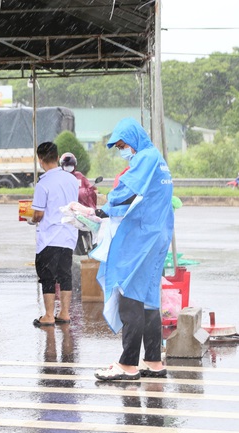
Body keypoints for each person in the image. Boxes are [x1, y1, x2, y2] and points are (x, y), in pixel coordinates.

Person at [92, 118, 173, 381]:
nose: (122, 150)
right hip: (158, 234)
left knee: (129, 295)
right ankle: (153, 360)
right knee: (149, 298)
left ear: (133, 139)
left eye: (123, 144)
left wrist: (105, 206)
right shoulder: (157, 158)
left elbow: (128, 192)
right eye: (118, 147)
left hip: (143, 238)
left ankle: (127, 364)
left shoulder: (146, 158)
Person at [30, 142, 79, 327]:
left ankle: (49, 315)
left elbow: (39, 214)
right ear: (57, 157)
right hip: (68, 236)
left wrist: (32, 219)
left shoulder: (43, 184)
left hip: (49, 238)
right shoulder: (71, 179)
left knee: (47, 277)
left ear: (40, 160)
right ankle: (64, 313)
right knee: (65, 275)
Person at [60, 152, 97, 255]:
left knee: (92, 229)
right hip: (67, 212)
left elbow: (89, 189)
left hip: (82, 211)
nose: (69, 167)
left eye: (70, 165)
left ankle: (93, 247)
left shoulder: (80, 176)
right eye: (67, 165)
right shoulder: (60, 177)